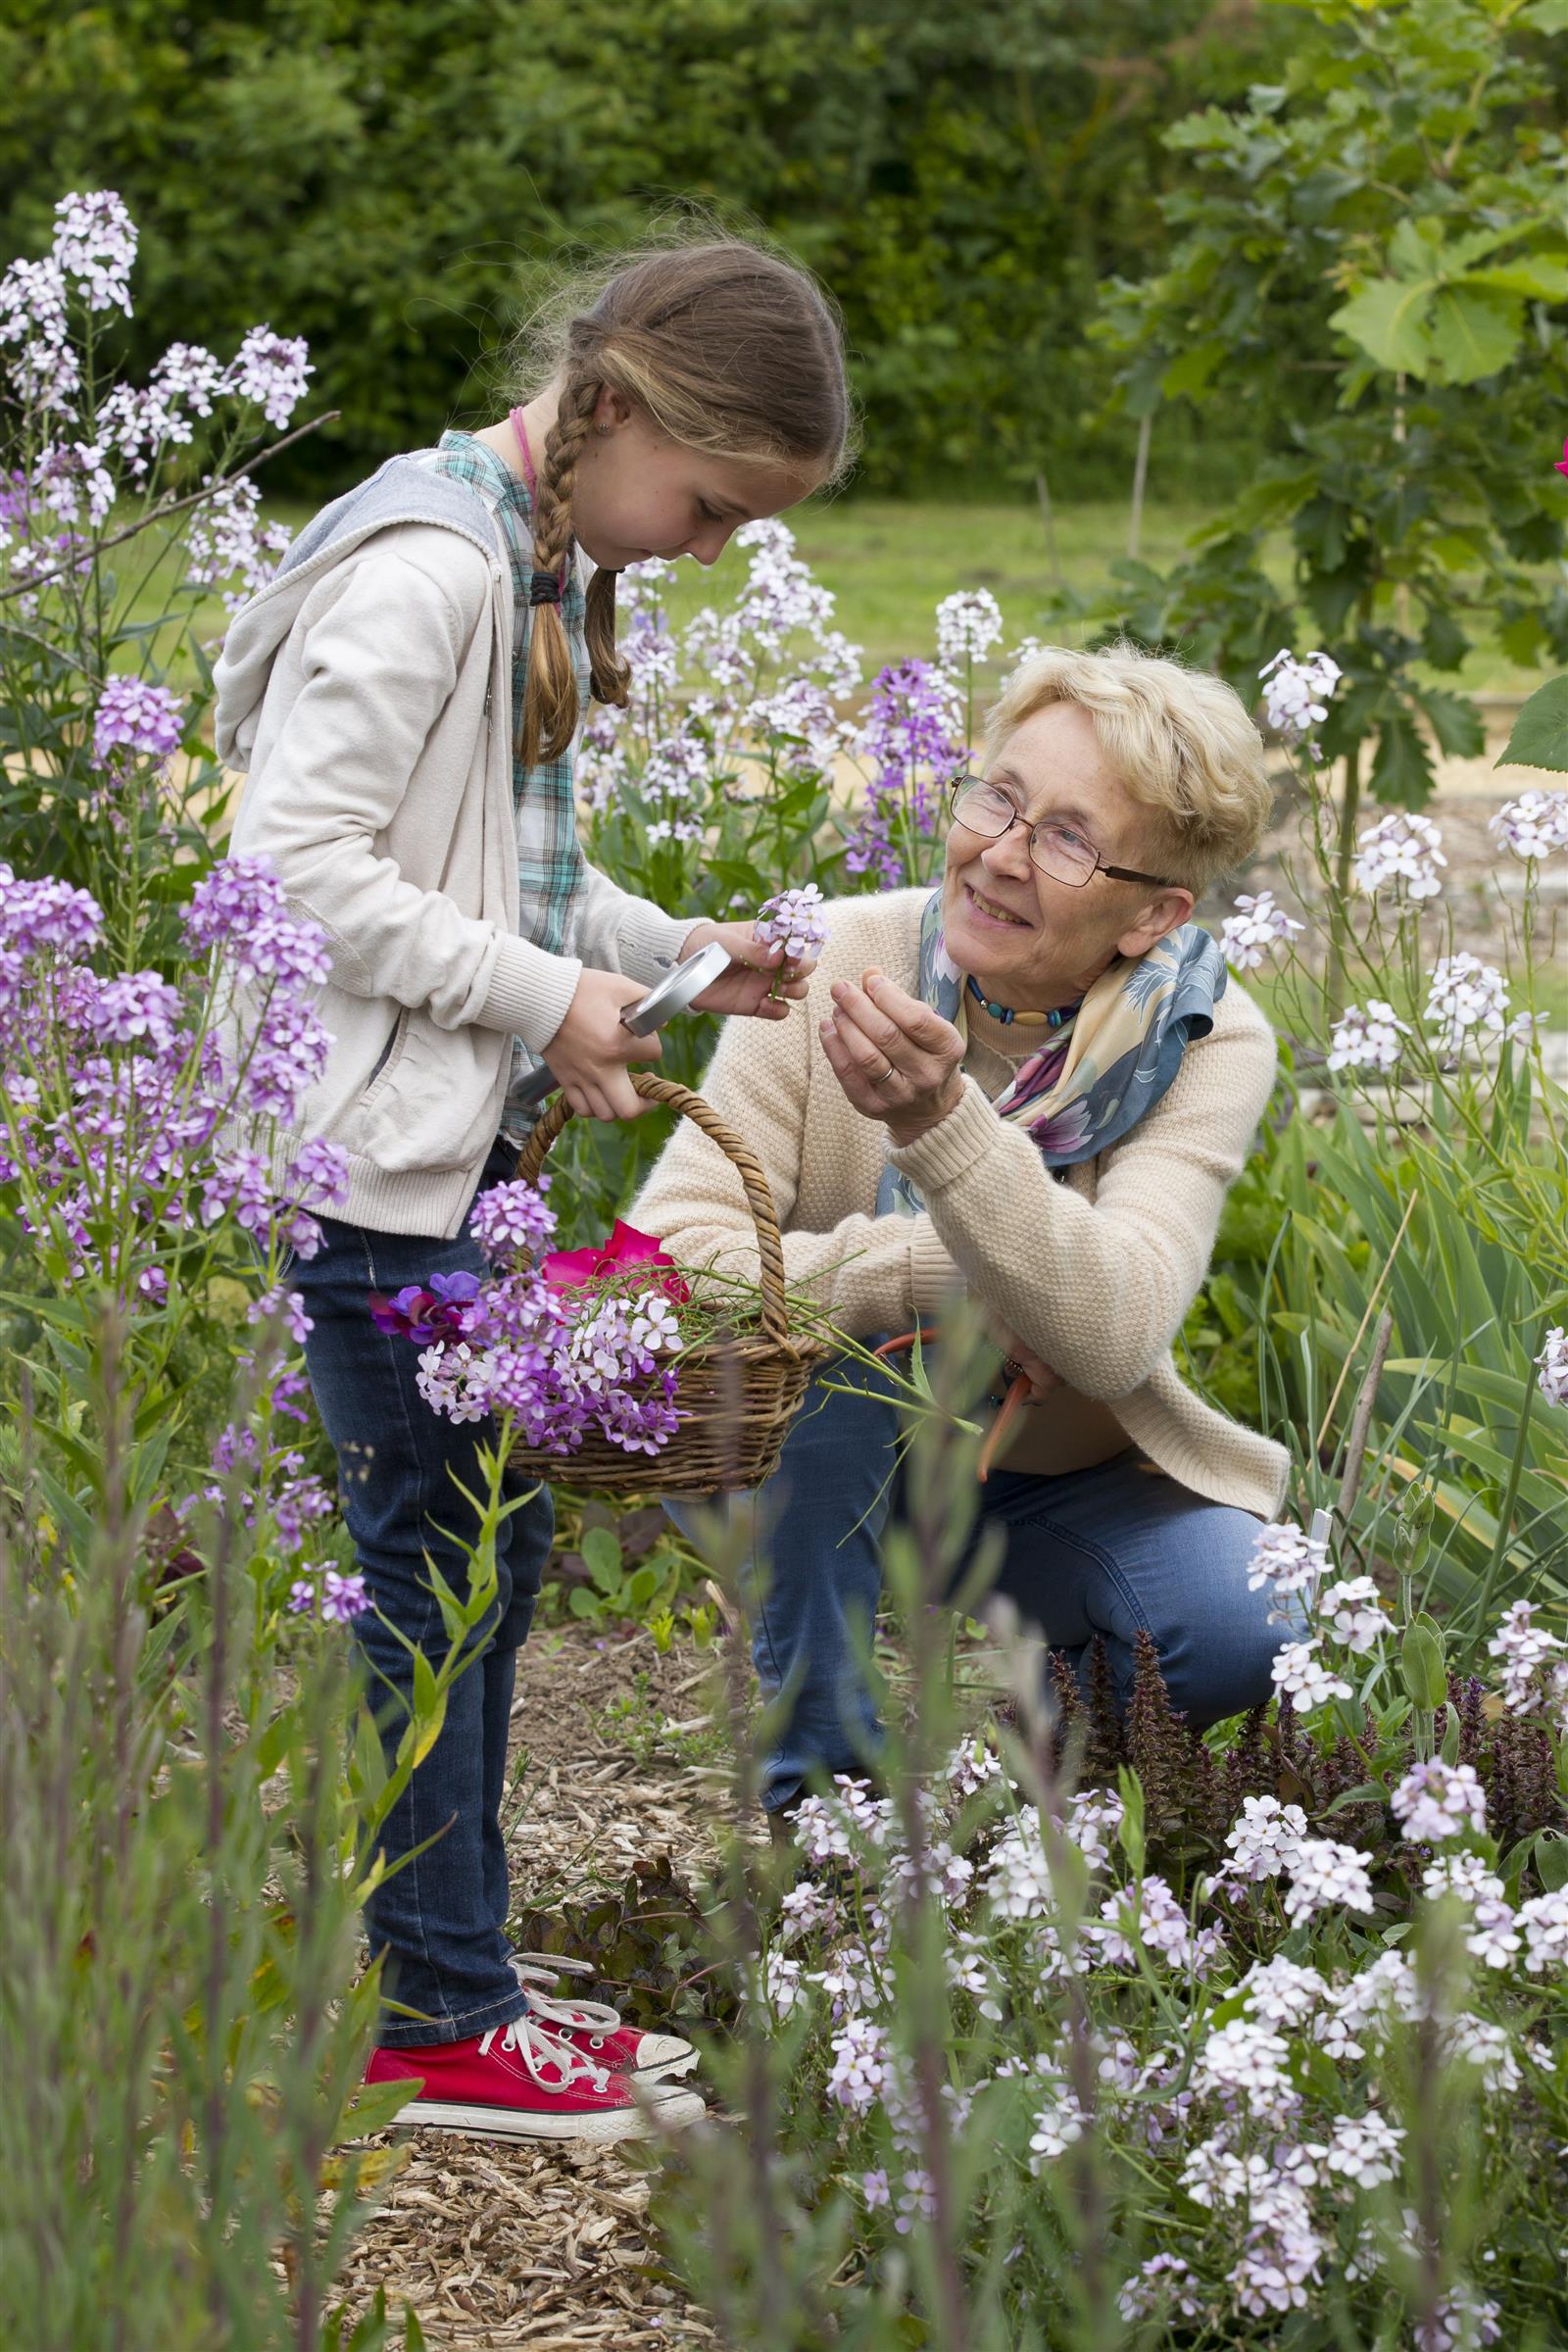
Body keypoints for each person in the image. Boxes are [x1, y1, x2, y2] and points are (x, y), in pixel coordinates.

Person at [213, 237, 852, 2137]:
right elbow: (297, 862)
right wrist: (546, 997)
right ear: (626, 413)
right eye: (713, 505)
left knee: (481, 1561)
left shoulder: (533, 555)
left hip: (440, 1154)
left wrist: (667, 958)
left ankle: (455, 1962)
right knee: (431, 1572)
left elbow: (501, 882)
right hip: (365, 1166)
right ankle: (432, 2020)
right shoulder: (430, 575)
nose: (716, 547)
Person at [634, 641, 1295, 1829]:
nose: (998, 853)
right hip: (802, 1460)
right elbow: (666, 1260)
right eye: (999, 796)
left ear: (1154, 914)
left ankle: (1018, 1783)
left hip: (1042, 1477)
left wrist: (942, 1124)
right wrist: (922, 1278)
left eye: (1067, 838)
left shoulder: (1205, 1036)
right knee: (833, 1380)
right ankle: (824, 1809)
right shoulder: (842, 955)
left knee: (1237, 1631)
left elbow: (1117, 1329)